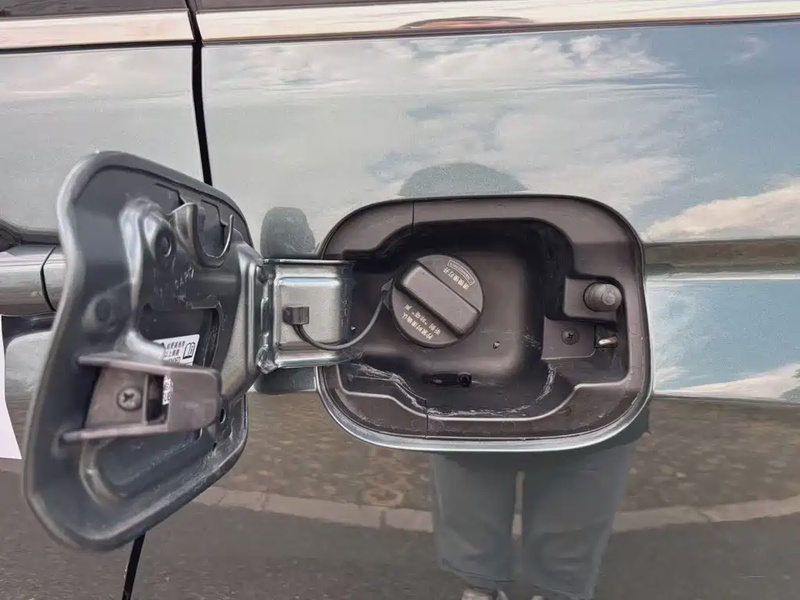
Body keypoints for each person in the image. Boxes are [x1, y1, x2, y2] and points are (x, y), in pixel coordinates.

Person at [398, 164, 648, 600]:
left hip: (589, 397)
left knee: (550, 519)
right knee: (500, 516)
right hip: (480, 399)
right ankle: (492, 587)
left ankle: (505, 587)